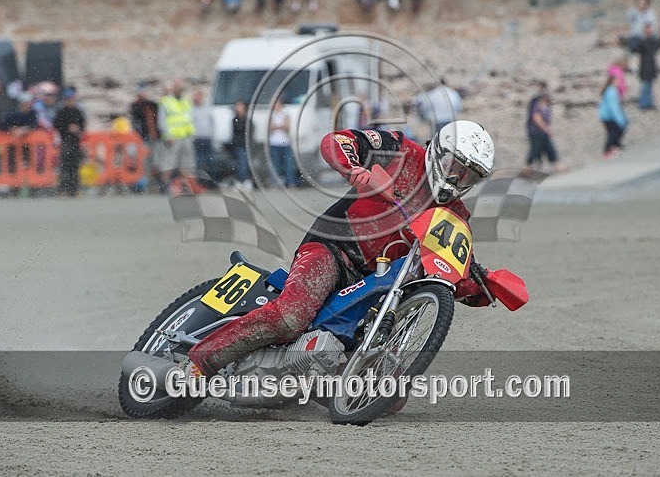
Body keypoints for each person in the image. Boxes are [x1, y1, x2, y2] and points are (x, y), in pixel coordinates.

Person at [188, 120, 498, 379]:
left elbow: (452, 269)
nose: (458, 179)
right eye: (456, 167)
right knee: (291, 317)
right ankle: (199, 363)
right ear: (440, 152)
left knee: (389, 391)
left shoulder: (456, 214)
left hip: (380, 287)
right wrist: (353, 169)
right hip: (334, 248)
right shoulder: (401, 150)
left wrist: (487, 286)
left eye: (470, 176)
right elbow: (338, 141)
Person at [157, 79, 196, 188]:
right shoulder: (166, 102)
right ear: (173, 89)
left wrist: (192, 133)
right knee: (169, 163)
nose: (180, 91)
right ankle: (163, 185)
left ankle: (186, 186)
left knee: (186, 163)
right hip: (173, 138)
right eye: (178, 88)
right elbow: (161, 121)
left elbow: (190, 118)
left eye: (182, 89)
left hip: (186, 137)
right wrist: (167, 135)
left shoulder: (186, 101)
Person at [53, 88, 86, 197]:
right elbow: (57, 125)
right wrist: (68, 128)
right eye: (68, 99)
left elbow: (82, 125)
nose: (70, 101)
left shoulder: (78, 112)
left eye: (71, 99)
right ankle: (63, 190)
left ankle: (74, 190)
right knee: (64, 167)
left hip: (75, 143)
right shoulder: (61, 112)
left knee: (75, 167)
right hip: (65, 142)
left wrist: (78, 129)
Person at [129, 84, 162, 193]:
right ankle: (145, 185)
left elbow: (157, 119)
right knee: (145, 162)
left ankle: (157, 185)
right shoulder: (136, 106)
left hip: (154, 138)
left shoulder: (152, 105)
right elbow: (136, 121)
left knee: (156, 162)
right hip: (143, 138)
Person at [525, 92, 564, 173]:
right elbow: (536, 118)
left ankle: (557, 165)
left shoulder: (546, 107)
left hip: (543, 133)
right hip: (536, 133)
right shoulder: (536, 107)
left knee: (550, 149)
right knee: (536, 150)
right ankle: (527, 167)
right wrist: (546, 129)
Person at [268, 99, 298, 187]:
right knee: (275, 164)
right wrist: (280, 126)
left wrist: (276, 126)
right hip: (274, 143)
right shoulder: (271, 115)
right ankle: (275, 182)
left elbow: (287, 126)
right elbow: (270, 127)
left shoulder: (285, 114)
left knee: (289, 164)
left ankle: (291, 182)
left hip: (285, 143)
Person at [598, 74, 628, 158]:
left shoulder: (609, 90)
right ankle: (608, 149)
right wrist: (619, 117)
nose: (618, 82)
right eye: (617, 81)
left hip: (606, 115)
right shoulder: (611, 91)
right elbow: (614, 106)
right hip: (609, 116)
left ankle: (615, 146)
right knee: (614, 132)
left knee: (613, 132)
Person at [635, 22, 660, 110]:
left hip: (651, 65)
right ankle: (643, 103)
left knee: (650, 86)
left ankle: (649, 103)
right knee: (645, 86)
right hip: (644, 66)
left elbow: (659, 45)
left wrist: (659, 34)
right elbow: (637, 48)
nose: (649, 30)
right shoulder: (642, 41)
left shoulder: (653, 41)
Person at [228, 100, 254, 191]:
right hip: (237, 145)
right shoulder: (235, 120)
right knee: (238, 164)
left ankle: (244, 180)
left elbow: (248, 131)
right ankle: (240, 180)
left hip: (244, 145)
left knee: (243, 164)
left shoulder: (247, 120)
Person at [190, 89, 215, 181]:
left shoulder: (207, 108)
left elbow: (212, 121)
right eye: (196, 97)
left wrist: (212, 134)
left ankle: (210, 180)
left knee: (209, 160)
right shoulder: (191, 109)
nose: (197, 99)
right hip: (198, 138)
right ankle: (200, 180)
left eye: (199, 96)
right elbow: (190, 123)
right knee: (199, 160)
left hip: (207, 137)